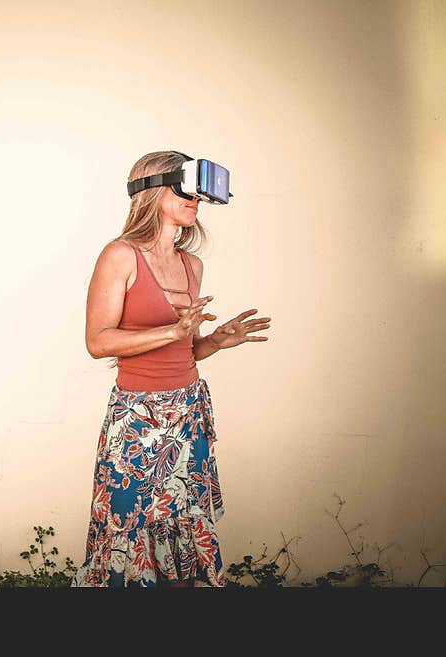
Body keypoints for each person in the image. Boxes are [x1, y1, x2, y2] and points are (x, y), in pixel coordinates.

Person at [70, 150, 271, 588]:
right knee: (131, 526)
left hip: (187, 412)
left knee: (183, 523)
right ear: (153, 190)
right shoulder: (119, 256)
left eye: (199, 193)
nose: (195, 199)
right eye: (186, 187)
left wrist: (216, 340)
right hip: (138, 420)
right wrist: (171, 330)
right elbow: (97, 341)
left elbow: (186, 349)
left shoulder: (191, 264)